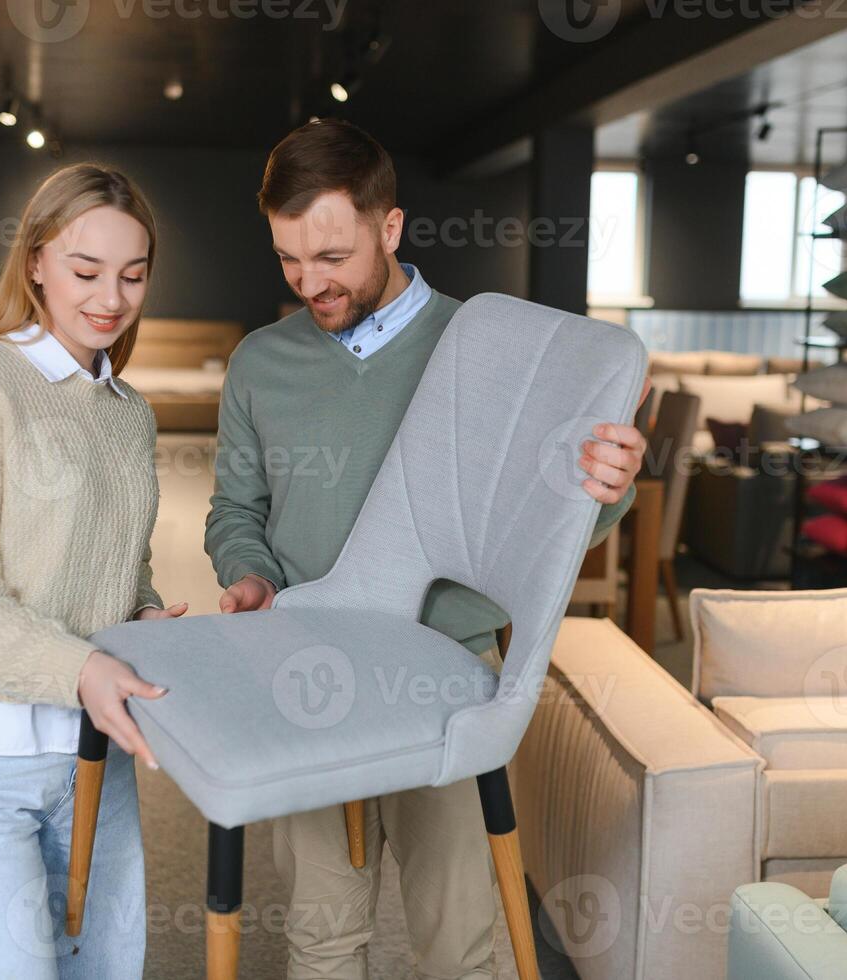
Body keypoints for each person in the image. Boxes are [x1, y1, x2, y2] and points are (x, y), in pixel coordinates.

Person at [205, 119, 651, 979]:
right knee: (320, 936)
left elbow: (544, 531)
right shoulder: (261, 363)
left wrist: (609, 484)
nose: (309, 283)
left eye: (331, 257)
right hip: (308, 670)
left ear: (390, 227)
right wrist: (249, 576)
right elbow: (234, 509)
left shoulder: (489, 354)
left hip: (446, 673)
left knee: (459, 945)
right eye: (289, 260)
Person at [0, 163, 186, 979]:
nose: (111, 298)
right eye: (86, 271)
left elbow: (127, 563)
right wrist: (84, 663)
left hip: (93, 759)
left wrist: (142, 617)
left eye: (132, 274)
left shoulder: (128, 412)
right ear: (37, 262)